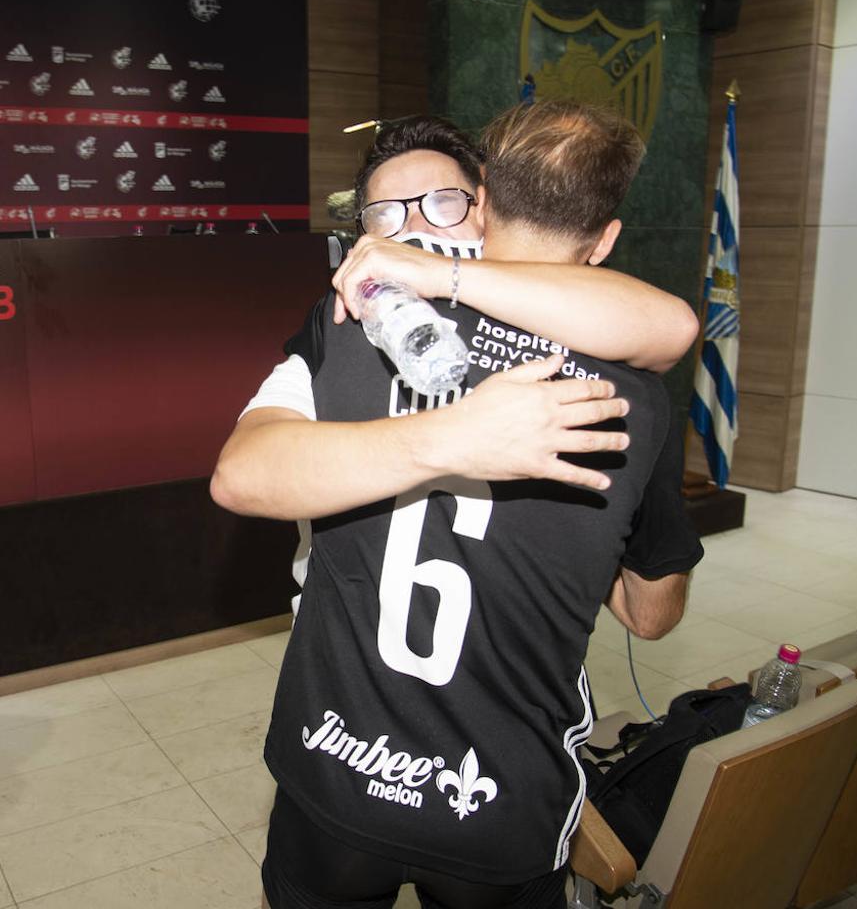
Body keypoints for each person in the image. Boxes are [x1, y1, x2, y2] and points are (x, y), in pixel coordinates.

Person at [211, 101, 703, 909]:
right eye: (384, 217)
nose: (410, 234)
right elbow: (651, 612)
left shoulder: (344, 332)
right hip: (493, 790)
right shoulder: (630, 395)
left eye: (437, 205)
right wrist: (456, 439)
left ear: (482, 210)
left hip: (342, 762)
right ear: (605, 238)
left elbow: (671, 324)